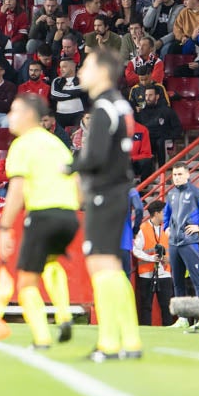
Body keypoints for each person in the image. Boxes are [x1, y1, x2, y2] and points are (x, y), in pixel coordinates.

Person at [0, 94, 78, 348]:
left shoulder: (23, 145)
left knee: (26, 282)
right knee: (52, 262)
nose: (9, 117)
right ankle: (65, 313)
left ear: (28, 115)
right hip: (69, 215)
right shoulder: (57, 144)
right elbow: (76, 180)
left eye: (14, 111)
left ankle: (42, 338)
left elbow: (17, 189)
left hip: (42, 213)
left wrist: (4, 226)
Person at [68, 49, 142, 361]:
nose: (80, 71)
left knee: (102, 265)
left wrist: (68, 168)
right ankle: (131, 340)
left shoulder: (102, 108)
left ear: (101, 71)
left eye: (85, 65)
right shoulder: (121, 104)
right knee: (111, 265)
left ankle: (110, 343)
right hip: (118, 190)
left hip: (104, 192)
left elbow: (94, 156)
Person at [162, 162, 199, 329]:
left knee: (197, 280)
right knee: (177, 281)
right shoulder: (171, 194)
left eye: (180, 174)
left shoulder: (195, 193)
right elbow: (167, 214)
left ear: (188, 175)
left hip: (189, 242)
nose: (177, 177)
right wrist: (166, 228)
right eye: (174, 175)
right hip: (174, 243)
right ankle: (182, 318)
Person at [133, 200, 174, 327]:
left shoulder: (168, 228)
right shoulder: (143, 229)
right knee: (146, 306)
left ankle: (168, 332)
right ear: (156, 213)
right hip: (147, 274)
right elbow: (135, 249)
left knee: (167, 307)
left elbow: (174, 248)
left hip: (165, 272)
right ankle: (146, 332)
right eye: (164, 212)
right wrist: (151, 258)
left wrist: (170, 259)